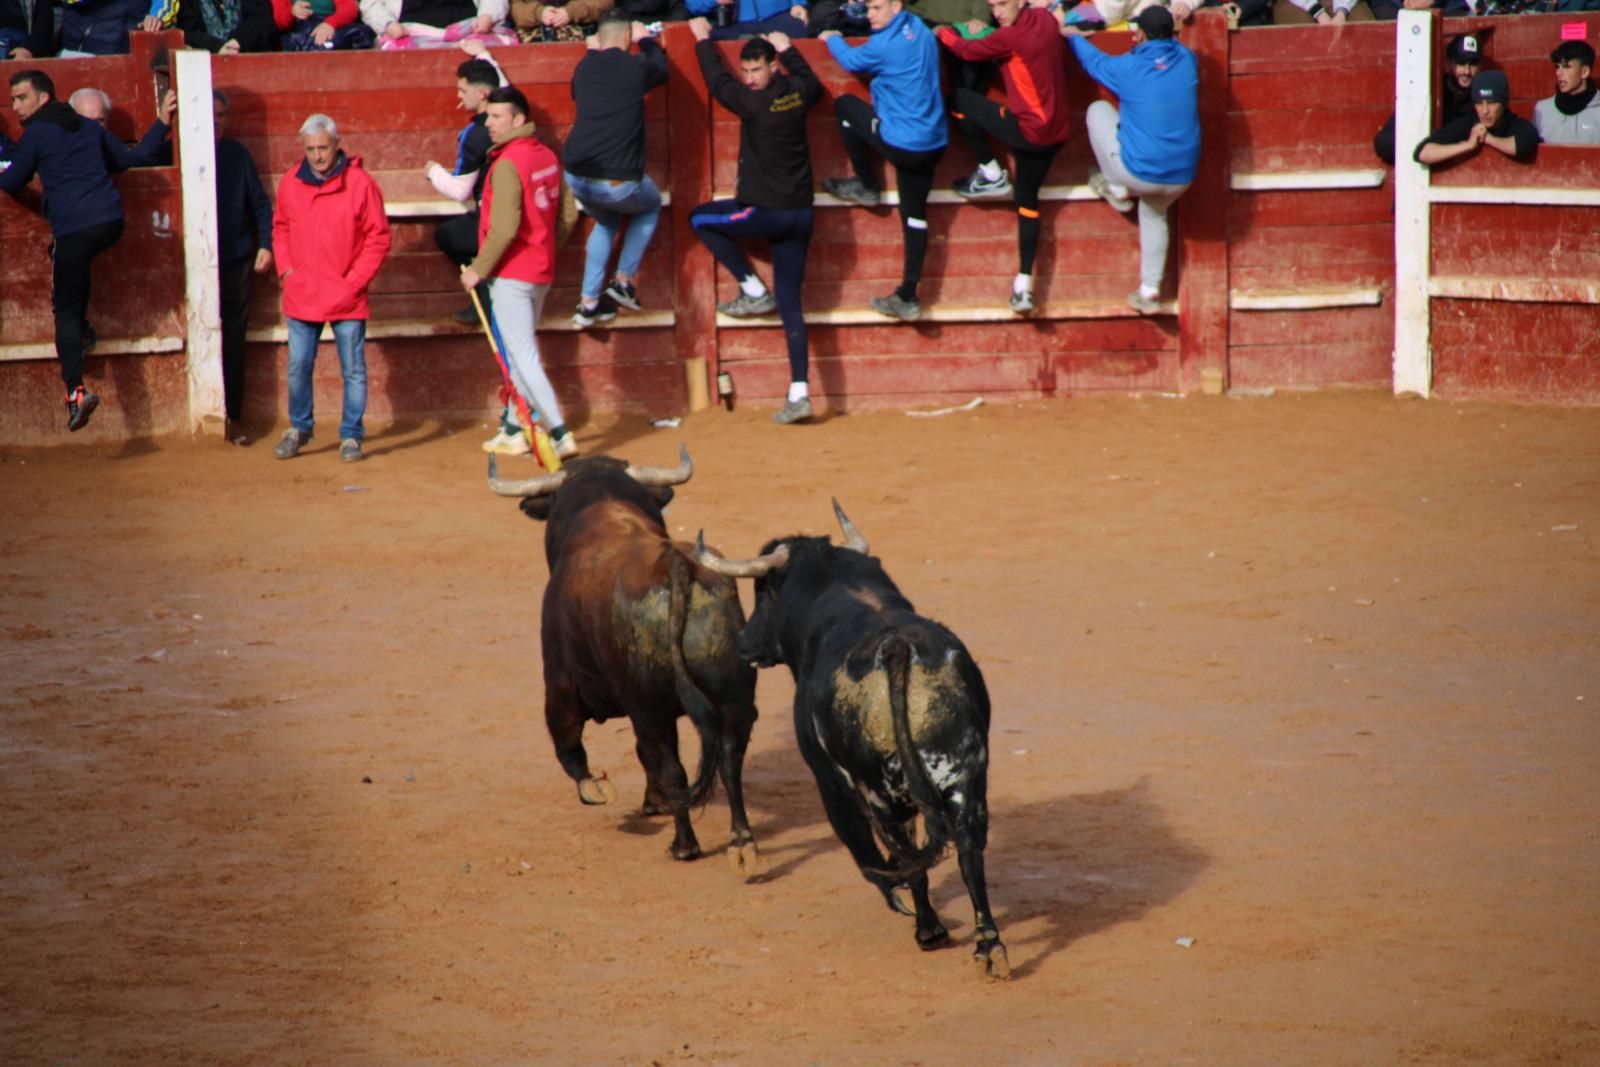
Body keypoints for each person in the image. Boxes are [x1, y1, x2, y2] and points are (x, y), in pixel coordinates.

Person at [0, 70, 161, 431]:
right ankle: (83, 333)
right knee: (76, 272)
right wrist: (162, 123)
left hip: (74, 229)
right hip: (110, 223)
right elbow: (126, 161)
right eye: (12, 99)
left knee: (65, 307)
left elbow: (12, 181)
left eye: (21, 97)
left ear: (43, 98)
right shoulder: (89, 128)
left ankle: (75, 392)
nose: (15, 106)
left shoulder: (37, 132)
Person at [689, 19, 822, 424]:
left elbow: (717, 83)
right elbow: (813, 83)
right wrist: (790, 50)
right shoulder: (797, 93)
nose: (749, 79)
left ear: (771, 68)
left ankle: (750, 288)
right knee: (792, 307)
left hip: (766, 212)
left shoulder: (753, 104)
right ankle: (800, 393)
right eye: (746, 71)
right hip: (801, 215)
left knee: (700, 218)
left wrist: (701, 42)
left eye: (756, 70)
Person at [459, 86, 582, 459]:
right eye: (488, 116)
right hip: (540, 270)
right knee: (519, 354)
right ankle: (515, 429)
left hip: (512, 274)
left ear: (517, 120)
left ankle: (559, 432)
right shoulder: (545, 154)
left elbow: (504, 229)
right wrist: (545, 246)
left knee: (523, 357)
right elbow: (569, 214)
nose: (489, 123)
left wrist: (478, 270)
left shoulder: (508, 164)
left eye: (496, 117)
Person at [936, 0, 1071, 316]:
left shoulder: (1009, 38)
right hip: (1058, 133)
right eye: (993, 5)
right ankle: (1023, 286)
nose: (997, 12)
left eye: (1003, 4)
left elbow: (966, 51)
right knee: (1027, 203)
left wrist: (942, 32)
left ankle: (991, 171)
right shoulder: (1046, 21)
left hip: (1029, 132)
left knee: (958, 99)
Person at [271, 114, 392, 463]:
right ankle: (300, 428)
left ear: (337, 145)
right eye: (310, 149)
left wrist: (353, 281)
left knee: (352, 368)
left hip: (346, 295)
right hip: (303, 291)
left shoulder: (360, 183)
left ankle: (351, 436)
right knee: (298, 365)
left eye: (323, 148)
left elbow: (378, 237)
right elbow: (280, 228)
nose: (318, 156)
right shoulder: (291, 182)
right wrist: (287, 271)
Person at [1062, 6, 1198, 315]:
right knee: (1154, 212)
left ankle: (1117, 189)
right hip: (1183, 177)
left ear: (1140, 34)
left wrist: (1072, 37)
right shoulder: (1188, 62)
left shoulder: (1128, 68)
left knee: (1098, 110)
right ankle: (1149, 292)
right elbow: (1169, 52)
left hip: (1140, 174)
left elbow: (1093, 62)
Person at [819, 0, 946, 323]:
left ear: (895, 5)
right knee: (915, 217)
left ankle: (866, 182)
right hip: (933, 142)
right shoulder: (920, 29)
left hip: (903, 143)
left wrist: (831, 37)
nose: (869, 15)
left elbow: (848, 59)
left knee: (847, 106)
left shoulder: (884, 47)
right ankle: (908, 294)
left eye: (876, 8)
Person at [564, 14, 668, 328]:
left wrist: (593, 52)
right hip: (617, 180)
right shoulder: (634, 67)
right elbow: (661, 70)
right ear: (627, 38)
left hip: (576, 176)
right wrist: (647, 40)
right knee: (650, 205)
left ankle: (589, 303)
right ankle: (623, 280)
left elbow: (582, 88)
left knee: (607, 222)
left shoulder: (584, 67)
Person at [1374, 33, 1480, 166]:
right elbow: (1385, 144)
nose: (1467, 71)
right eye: (1461, 63)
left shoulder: (1482, 101)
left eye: (1472, 64)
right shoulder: (1428, 90)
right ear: (1448, 64)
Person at [1414, 69, 1538, 167]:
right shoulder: (1468, 122)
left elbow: (1524, 144)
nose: (1484, 111)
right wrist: (1468, 145)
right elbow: (1422, 153)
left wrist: (1489, 139)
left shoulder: (1514, 124)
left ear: (1504, 103)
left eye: (1491, 102)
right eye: (1479, 103)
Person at [359, 0, 517, 49]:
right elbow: (371, 5)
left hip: (470, 33)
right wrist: (388, 24)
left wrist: (487, 16)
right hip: (410, 38)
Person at [1534, 40, 1599, 146]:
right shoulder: (1542, 110)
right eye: (1557, 67)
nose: (1559, 73)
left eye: (1566, 67)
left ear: (1584, 72)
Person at [168, 0, 281, 52]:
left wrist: (238, 42)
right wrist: (218, 47)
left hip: (249, 56)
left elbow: (263, 21)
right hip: (207, 64)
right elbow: (187, 32)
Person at [274, 0, 376, 50]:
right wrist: (292, 11)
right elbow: (278, 19)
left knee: (363, 33)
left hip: (333, 26)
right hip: (300, 28)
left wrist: (330, 24)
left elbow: (349, 7)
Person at [687, 0, 808, 40]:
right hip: (734, 24)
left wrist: (798, 3)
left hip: (779, 15)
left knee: (803, 35)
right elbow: (692, 4)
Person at [510, 0, 614, 41]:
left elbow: (604, 3)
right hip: (532, 37)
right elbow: (513, 8)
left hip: (582, 34)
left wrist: (572, 11)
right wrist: (538, 13)